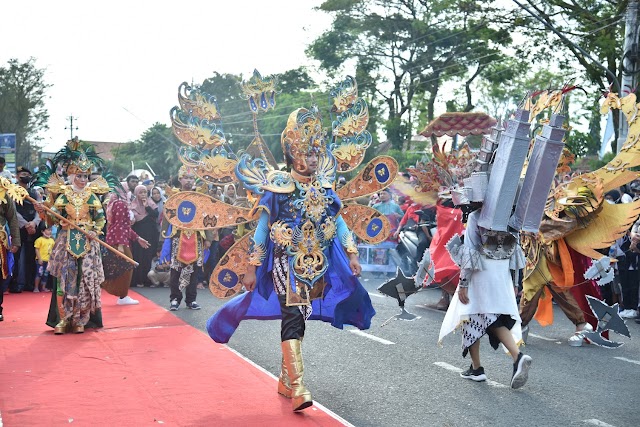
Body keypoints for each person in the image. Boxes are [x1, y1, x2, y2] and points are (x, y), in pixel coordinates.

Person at [207, 107, 376, 412]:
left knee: (299, 315)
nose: (313, 159)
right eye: (307, 153)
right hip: (286, 262)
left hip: (317, 263)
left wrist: (351, 254)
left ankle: (286, 379)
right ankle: (298, 385)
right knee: (294, 313)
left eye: (316, 154)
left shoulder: (324, 187)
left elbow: (338, 223)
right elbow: (262, 228)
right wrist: (251, 268)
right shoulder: (279, 186)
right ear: (292, 153)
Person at [439, 203, 532, 389]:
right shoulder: (511, 217)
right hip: (503, 273)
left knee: (479, 315)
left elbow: (470, 252)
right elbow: (516, 251)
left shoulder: (476, 216)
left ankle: (516, 356)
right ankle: (476, 368)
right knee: (477, 315)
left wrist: (464, 284)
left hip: (481, 272)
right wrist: (515, 283)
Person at [37, 149, 108, 334]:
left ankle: (80, 319)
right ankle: (63, 319)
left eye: (86, 176)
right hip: (65, 241)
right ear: (72, 175)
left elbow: (101, 219)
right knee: (65, 279)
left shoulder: (92, 196)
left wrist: (94, 231)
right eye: (79, 175)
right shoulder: (63, 195)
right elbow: (51, 219)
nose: (83, 179)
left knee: (85, 280)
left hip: (87, 242)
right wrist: (43, 209)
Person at [161, 166, 213, 310]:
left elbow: (206, 217)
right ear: (180, 179)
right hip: (178, 237)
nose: (189, 181)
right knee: (175, 270)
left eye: (191, 178)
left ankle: (191, 299)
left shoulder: (199, 197)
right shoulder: (174, 196)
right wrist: (163, 240)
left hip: (196, 238)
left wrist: (208, 238)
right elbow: (167, 218)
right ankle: (175, 299)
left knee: (195, 270)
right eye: (186, 178)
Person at [102, 185, 150, 305]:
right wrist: (121, 245)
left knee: (121, 268)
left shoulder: (116, 202)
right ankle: (121, 295)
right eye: (127, 189)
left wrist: (137, 238)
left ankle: (121, 294)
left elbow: (124, 227)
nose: (129, 191)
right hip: (119, 240)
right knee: (127, 266)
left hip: (117, 239)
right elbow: (119, 225)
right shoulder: (120, 204)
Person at [9, 166, 42, 293]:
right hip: (18, 229)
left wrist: (34, 223)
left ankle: (30, 283)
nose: (26, 176)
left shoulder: (35, 193)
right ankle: (16, 284)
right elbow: (12, 212)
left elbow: (40, 210)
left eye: (28, 174)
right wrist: (25, 224)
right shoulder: (11, 192)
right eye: (23, 174)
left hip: (34, 229)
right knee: (17, 257)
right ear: (17, 176)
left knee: (31, 256)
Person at [130, 185, 159, 288]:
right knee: (139, 256)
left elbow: (155, 214)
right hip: (138, 236)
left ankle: (148, 280)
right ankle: (139, 280)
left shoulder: (150, 203)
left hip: (150, 235)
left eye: (144, 192)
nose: (143, 195)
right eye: (140, 192)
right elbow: (135, 219)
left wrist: (147, 207)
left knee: (148, 256)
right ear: (136, 193)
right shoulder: (133, 204)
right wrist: (146, 217)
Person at [0, 190, 21, 321]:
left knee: (1, 274)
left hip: (0, 239)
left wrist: (16, 241)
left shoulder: (3, 191)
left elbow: (12, 218)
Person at [33, 226, 54, 292]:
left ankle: (43, 287)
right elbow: (37, 249)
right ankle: (36, 287)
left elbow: (53, 250)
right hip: (41, 260)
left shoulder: (52, 240)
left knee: (46, 274)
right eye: (48, 230)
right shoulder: (39, 240)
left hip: (48, 260)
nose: (49, 232)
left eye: (50, 230)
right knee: (39, 273)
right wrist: (39, 258)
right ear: (42, 231)